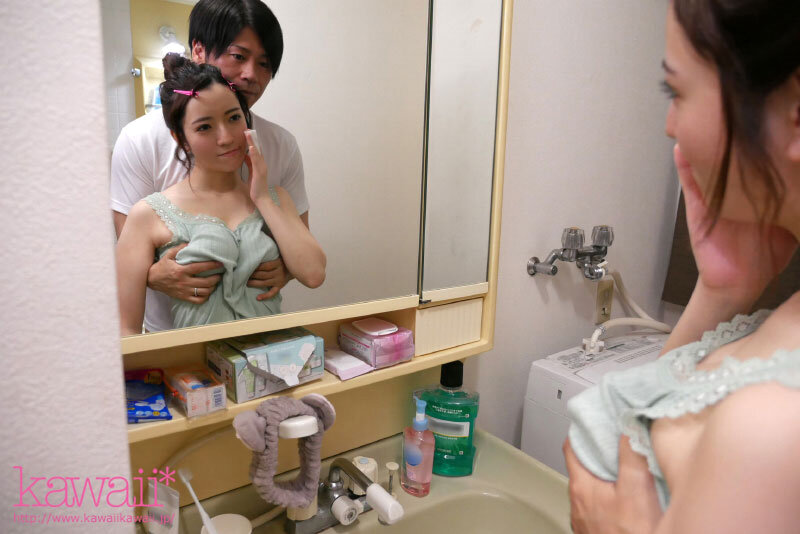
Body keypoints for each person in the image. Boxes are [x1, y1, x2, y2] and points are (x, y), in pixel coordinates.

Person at [563, 1, 800, 533]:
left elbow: (625, 442)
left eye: (676, 91)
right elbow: (646, 424)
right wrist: (723, 290)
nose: (670, 126)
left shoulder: (774, 428)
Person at [111, 0, 307, 333]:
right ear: (198, 51)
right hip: (172, 339)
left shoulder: (280, 144)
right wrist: (153, 275)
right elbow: (129, 248)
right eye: (239, 56)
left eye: (264, 63)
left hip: (260, 341)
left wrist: (288, 269)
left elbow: (301, 243)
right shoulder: (138, 140)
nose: (251, 74)